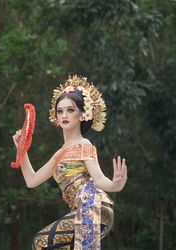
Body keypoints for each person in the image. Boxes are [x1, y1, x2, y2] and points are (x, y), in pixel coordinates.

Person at [13, 75, 127, 250]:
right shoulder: (59, 154)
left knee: (41, 242)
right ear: (56, 116)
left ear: (82, 114)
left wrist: (114, 185)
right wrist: (22, 150)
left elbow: (99, 179)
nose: (64, 115)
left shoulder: (84, 144)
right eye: (60, 111)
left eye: (70, 110)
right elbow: (31, 180)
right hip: (80, 211)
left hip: (93, 206)